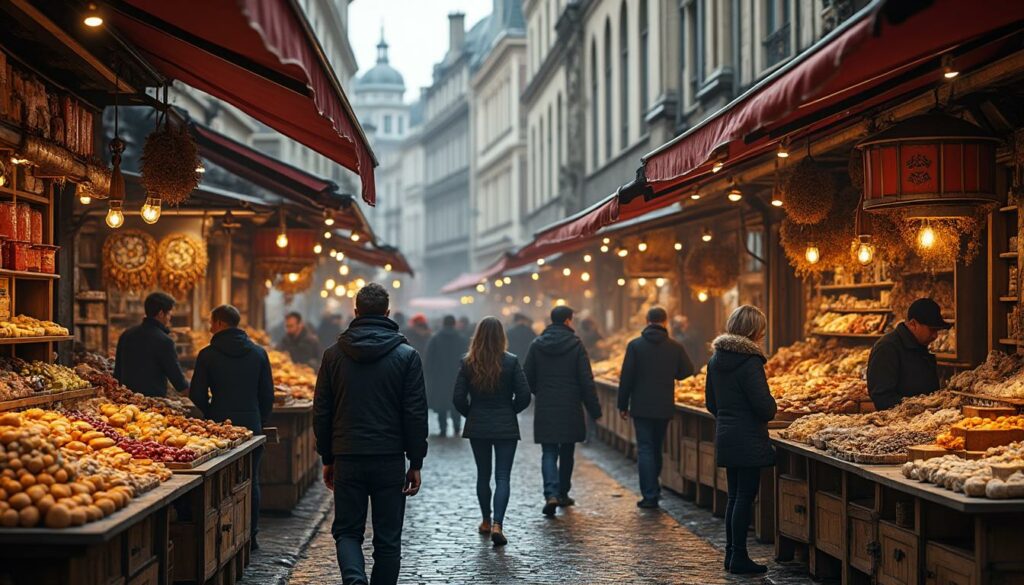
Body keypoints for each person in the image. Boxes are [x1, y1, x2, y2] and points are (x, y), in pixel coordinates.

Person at [314, 283, 428, 585]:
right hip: (389, 458)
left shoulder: (333, 355)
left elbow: (322, 411)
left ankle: (355, 580)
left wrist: (327, 456)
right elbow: (415, 413)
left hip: (348, 456)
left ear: (355, 312)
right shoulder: (407, 356)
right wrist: (415, 461)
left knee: (348, 531)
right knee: (388, 537)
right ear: (387, 313)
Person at [189, 305, 273, 548]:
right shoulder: (258, 353)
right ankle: (252, 534)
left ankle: (222, 542)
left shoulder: (207, 355)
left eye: (211, 322)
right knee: (251, 478)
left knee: (220, 483)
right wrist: (260, 418)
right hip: (251, 422)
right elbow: (267, 394)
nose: (209, 327)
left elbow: (196, 394)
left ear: (220, 324)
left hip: (218, 426)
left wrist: (211, 413)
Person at [705, 305, 776, 575]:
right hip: (748, 437)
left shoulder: (715, 360)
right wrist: (772, 404)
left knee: (735, 497)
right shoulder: (750, 362)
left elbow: (711, 402)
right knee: (745, 497)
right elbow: (764, 408)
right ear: (754, 331)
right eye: (762, 330)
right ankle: (739, 557)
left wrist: (728, 416)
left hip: (727, 434)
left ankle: (731, 554)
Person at [452, 317, 531, 546]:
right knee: (503, 476)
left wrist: (471, 414)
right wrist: (510, 411)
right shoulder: (511, 361)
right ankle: (498, 524)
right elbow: (524, 396)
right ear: (501, 337)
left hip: (479, 425)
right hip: (505, 424)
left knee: (483, 475)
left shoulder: (468, 362)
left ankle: (485, 521)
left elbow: (457, 398)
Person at [524, 305, 602, 516]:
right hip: (570, 405)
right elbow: (586, 381)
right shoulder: (576, 345)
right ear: (568, 320)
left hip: (546, 405)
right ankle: (563, 492)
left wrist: (539, 391)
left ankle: (551, 493)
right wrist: (594, 410)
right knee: (567, 451)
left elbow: (527, 376)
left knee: (549, 451)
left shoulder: (537, 344)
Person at [617, 307, 695, 508]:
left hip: (641, 406)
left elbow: (626, 378)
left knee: (645, 448)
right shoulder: (674, 346)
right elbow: (687, 370)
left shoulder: (635, 346)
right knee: (657, 447)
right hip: (663, 405)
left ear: (647, 320)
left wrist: (622, 404)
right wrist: (671, 372)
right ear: (665, 321)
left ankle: (649, 494)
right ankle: (655, 488)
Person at [867, 298, 950, 410]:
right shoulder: (887, 348)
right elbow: (882, 397)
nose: (935, 336)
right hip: (899, 423)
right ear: (913, 324)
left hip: (924, 419)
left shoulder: (920, 345)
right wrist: (920, 407)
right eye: (931, 330)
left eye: (937, 331)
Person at [114, 292, 189, 397]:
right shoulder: (164, 341)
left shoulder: (126, 335)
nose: (169, 318)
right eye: (169, 314)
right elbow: (178, 381)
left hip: (126, 401)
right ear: (161, 314)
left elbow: (117, 374)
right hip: (152, 405)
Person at [424, 315, 469, 437]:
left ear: (443, 323)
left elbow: (428, 361)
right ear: (454, 324)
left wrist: (429, 376)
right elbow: (468, 359)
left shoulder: (435, 339)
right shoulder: (462, 339)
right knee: (456, 403)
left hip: (439, 378)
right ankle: (457, 428)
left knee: (441, 406)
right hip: (457, 377)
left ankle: (442, 429)